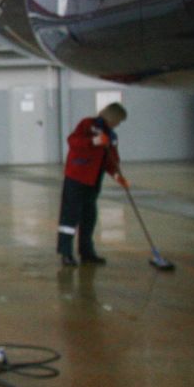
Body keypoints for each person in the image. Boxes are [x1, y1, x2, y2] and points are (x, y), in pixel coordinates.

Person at [58, 102, 127, 268]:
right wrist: (94, 140)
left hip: (94, 180)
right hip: (76, 177)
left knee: (89, 217)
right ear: (111, 117)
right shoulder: (88, 124)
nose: (118, 124)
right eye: (118, 121)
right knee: (70, 216)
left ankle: (87, 252)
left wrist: (118, 176)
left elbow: (111, 159)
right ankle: (66, 253)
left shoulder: (112, 136)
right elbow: (73, 141)